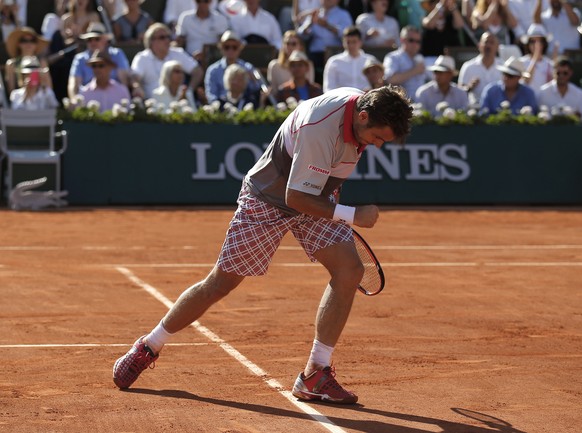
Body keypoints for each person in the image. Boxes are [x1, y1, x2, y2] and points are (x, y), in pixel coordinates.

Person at [112, 84, 414, 405]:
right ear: (363, 115)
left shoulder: (362, 112)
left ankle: (315, 373)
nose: (378, 146)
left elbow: (312, 190)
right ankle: (149, 345)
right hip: (268, 201)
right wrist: (352, 214)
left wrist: (335, 205)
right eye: (378, 137)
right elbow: (295, 197)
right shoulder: (320, 126)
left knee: (349, 271)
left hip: (317, 198)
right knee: (220, 284)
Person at [130, 23, 203, 99]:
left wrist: (189, 91)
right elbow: (134, 77)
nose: (167, 40)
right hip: (152, 104)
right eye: (162, 37)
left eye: (168, 37)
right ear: (151, 41)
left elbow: (197, 71)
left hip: (179, 101)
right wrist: (137, 87)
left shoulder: (178, 53)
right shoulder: (142, 57)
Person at [68, 22, 131, 100]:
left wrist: (123, 98)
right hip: (88, 98)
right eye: (89, 40)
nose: (93, 42)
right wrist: (74, 100)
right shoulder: (80, 58)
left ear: (105, 40)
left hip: (114, 97)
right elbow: (74, 83)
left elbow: (124, 80)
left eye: (97, 39)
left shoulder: (117, 54)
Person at [203, 30, 262, 103]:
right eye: (227, 47)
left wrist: (253, 81)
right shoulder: (212, 70)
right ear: (221, 48)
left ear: (240, 48)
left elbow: (256, 90)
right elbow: (211, 95)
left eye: (234, 47)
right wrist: (220, 106)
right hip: (221, 110)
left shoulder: (248, 68)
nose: (230, 50)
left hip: (244, 108)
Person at [296, 0, 353, 74]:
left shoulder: (344, 15)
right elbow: (300, 34)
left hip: (335, 52)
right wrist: (310, 24)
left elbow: (348, 35)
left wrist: (327, 26)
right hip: (315, 54)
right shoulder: (315, 14)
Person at [323, 25, 377, 91]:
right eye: (348, 42)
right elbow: (328, 88)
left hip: (366, 99)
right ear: (343, 42)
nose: (351, 45)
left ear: (360, 42)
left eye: (354, 42)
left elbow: (377, 84)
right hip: (342, 100)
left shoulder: (371, 60)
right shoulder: (334, 61)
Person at [383, 25, 428, 100]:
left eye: (418, 41)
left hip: (421, 103)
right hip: (402, 103)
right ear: (402, 40)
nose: (415, 44)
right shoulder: (393, 57)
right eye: (411, 40)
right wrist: (415, 71)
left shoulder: (421, 58)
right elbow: (389, 79)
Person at [458, 30, 502, 105]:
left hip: (498, 108)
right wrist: (469, 87)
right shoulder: (468, 66)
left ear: (497, 47)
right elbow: (459, 92)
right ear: (479, 45)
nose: (488, 46)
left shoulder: (503, 67)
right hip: (475, 109)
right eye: (486, 42)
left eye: (491, 43)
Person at [268, 30, 315, 99]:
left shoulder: (308, 64)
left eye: (293, 44)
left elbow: (310, 87)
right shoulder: (274, 65)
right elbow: (274, 91)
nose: (289, 46)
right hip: (283, 103)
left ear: (300, 46)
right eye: (287, 43)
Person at [4, 26, 51, 94]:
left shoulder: (42, 62)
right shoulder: (11, 64)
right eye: (24, 40)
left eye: (32, 41)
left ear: (36, 44)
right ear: (18, 44)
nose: (28, 44)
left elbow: (49, 88)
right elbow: (11, 91)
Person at [519, 23, 554, 97]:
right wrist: (536, 56)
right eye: (532, 41)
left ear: (544, 44)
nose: (536, 45)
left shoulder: (550, 64)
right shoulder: (521, 62)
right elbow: (525, 82)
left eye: (540, 41)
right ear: (528, 44)